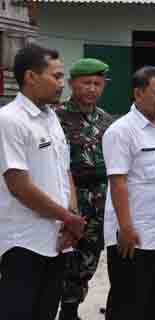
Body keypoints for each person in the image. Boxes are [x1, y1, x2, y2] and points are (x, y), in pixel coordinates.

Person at [0, 44, 86, 319]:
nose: (62, 84)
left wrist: (71, 218)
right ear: (30, 77)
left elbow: (64, 171)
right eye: (56, 76)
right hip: (23, 243)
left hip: (56, 240)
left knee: (46, 313)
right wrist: (68, 218)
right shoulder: (10, 120)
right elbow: (19, 185)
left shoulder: (51, 118)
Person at [102, 66, 155, 320]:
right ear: (138, 94)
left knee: (154, 302)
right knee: (127, 306)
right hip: (135, 236)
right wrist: (125, 228)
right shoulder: (120, 132)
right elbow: (118, 183)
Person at [56, 58, 114, 320]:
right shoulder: (56, 117)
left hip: (100, 201)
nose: (92, 88)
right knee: (62, 259)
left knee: (88, 260)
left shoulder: (107, 121)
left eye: (97, 84)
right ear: (72, 84)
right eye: (86, 83)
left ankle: (71, 310)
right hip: (68, 197)